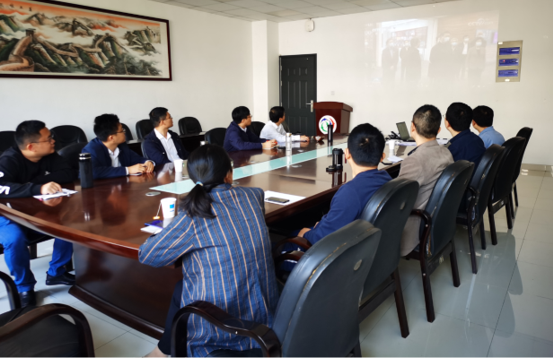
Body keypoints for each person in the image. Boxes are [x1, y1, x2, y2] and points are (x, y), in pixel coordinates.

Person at [139, 144, 279, 357]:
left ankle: (165, 351)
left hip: (226, 329)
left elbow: (148, 255)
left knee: (184, 287)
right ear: (229, 174)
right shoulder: (254, 195)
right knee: (181, 288)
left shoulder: (193, 214)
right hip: (266, 314)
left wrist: (168, 231)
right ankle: (162, 350)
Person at [0, 121, 77, 307]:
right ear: (31, 146)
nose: (53, 141)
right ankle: (24, 287)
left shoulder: (49, 154)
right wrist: (37, 187)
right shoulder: (9, 160)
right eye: (48, 138)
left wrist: (34, 183)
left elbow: (67, 173)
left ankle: (56, 272)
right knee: (15, 239)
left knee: (70, 224)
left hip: (35, 209)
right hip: (6, 214)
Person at [297, 123, 392, 244]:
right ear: (382, 157)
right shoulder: (387, 179)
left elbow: (323, 238)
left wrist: (305, 233)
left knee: (294, 235)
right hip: (372, 244)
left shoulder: (350, 192)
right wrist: (322, 225)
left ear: (346, 154)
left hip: (344, 250)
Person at [397, 105, 454, 256]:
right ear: (439, 129)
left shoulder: (415, 161)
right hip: (438, 223)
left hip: (414, 230)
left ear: (412, 127)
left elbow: (396, 201)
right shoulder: (446, 152)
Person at [82, 114, 154, 179]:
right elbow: (91, 172)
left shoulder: (121, 145)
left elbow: (137, 158)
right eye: (122, 130)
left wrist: (147, 162)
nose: (124, 132)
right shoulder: (91, 150)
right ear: (111, 138)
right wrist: (127, 170)